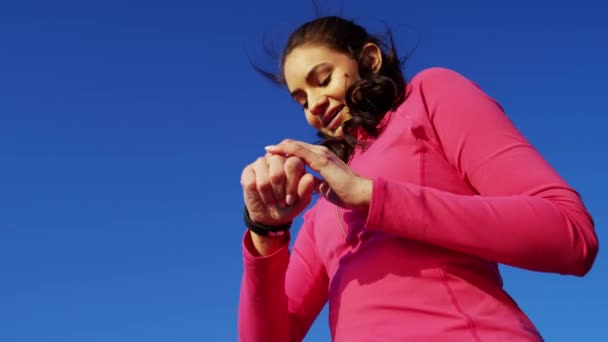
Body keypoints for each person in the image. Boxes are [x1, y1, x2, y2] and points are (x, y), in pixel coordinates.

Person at [237, 15, 598, 341]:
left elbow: (570, 235)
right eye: (301, 100)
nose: (314, 104)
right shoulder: (323, 211)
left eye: (323, 79)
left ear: (369, 59)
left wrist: (374, 197)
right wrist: (266, 232)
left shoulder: (427, 97)